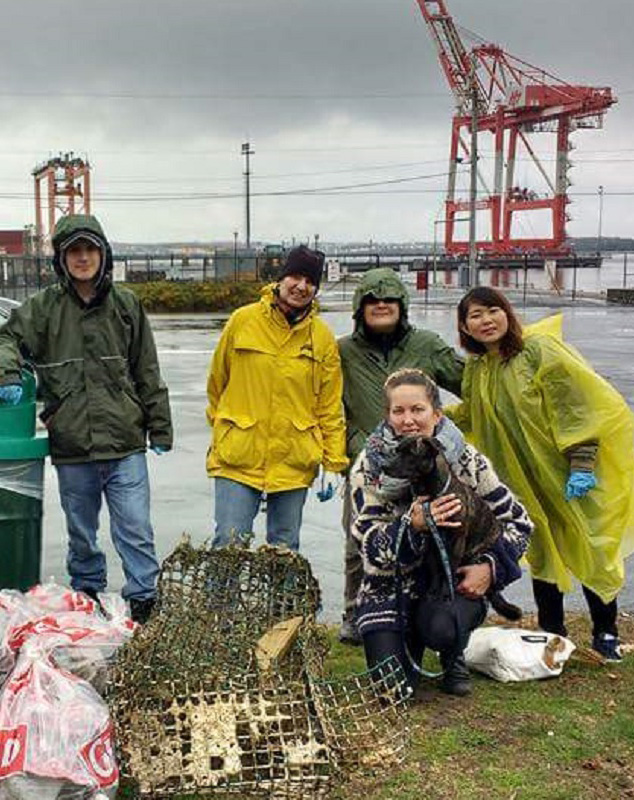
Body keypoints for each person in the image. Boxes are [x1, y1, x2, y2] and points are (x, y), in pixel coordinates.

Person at [449, 287, 634, 662]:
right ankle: (553, 632)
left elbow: (579, 405)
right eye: (475, 316)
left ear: (507, 313)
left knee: (592, 547)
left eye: (492, 311)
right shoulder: (478, 367)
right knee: (542, 550)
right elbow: (471, 415)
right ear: (465, 326)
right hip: (523, 481)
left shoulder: (539, 350)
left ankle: (606, 633)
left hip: (567, 472)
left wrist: (581, 463)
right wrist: (431, 420)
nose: (485, 321)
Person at [0, 214, 172, 624]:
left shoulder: (126, 305)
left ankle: (144, 599)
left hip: (124, 443)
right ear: (61, 259)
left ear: (104, 254)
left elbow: (147, 368)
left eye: (90, 249)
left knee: (136, 529)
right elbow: (3, 338)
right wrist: (7, 372)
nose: (83, 258)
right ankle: (87, 594)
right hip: (72, 444)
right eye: (74, 251)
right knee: (82, 534)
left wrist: (159, 424)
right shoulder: (43, 308)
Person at [350, 369, 533, 696]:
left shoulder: (467, 461)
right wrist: (413, 525)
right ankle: (406, 641)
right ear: (388, 415)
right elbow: (370, 548)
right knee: (393, 691)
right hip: (390, 588)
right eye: (399, 411)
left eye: (417, 409)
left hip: (450, 583)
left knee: (442, 627)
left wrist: (489, 568)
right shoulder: (371, 467)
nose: (408, 419)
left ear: (436, 413)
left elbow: (519, 524)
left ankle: (452, 652)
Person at [337, 267, 464, 645]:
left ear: (401, 305)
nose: (381, 306)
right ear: (360, 307)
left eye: (389, 300)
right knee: (360, 541)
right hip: (367, 464)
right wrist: (344, 445)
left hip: (423, 467)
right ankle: (353, 612)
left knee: (430, 540)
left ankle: (425, 613)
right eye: (372, 301)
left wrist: (450, 432)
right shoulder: (342, 352)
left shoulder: (426, 344)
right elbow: (316, 399)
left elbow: (472, 383)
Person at [206, 245, 348, 551]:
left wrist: (334, 463)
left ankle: (280, 603)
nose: (301, 286)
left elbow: (329, 406)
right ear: (281, 279)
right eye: (295, 277)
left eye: (310, 281)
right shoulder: (242, 321)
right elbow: (217, 383)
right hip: (238, 456)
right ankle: (221, 602)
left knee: (284, 551)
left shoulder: (322, 338)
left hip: (293, 461)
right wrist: (225, 430)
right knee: (228, 546)